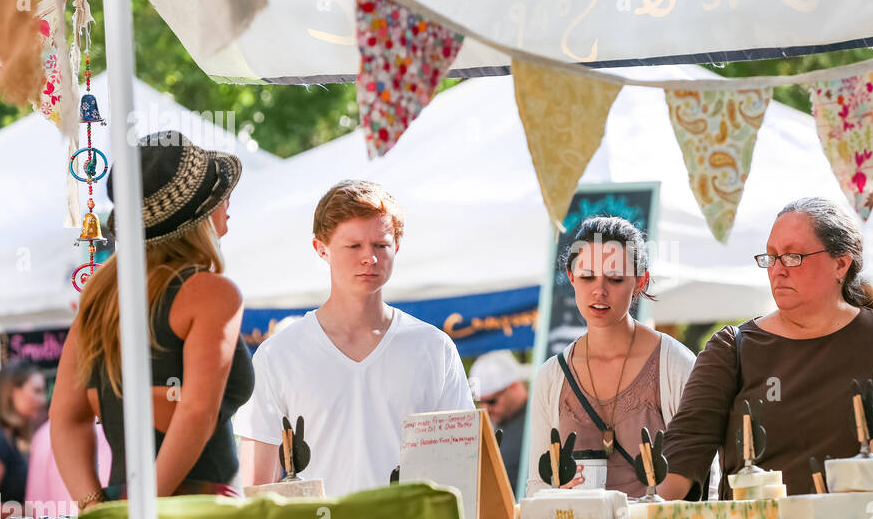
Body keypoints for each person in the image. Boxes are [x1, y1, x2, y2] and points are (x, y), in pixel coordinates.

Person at [663, 197, 873, 499]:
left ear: (840, 264)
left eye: (793, 256)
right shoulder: (732, 347)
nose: (778, 269)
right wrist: (650, 512)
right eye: (771, 257)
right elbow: (685, 449)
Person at [51, 131, 254, 509]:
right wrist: (145, 513)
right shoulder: (211, 292)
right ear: (202, 213)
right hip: (198, 514)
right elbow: (197, 412)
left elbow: (65, 418)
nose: (228, 204)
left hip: (120, 505)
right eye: (220, 194)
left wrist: (97, 508)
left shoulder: (100, 298)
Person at [237, 180, 473, 497]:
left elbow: (462, 468)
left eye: (380, 245)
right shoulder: (279, 354)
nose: (369, 258)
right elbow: (256, 484)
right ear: (321, 249)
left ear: (397, 248)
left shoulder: (434, 348)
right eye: (354, 246)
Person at [527, 216, 698, 499]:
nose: (599, 290)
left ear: (640, 281)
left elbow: (707, 477)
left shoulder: (676, 364)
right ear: (571, 277)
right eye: (587, 277)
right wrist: (555, 494)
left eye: (615, 278)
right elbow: (537, 485)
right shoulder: (552, 376)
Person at [0, 361, 47, 518]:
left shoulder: (6, 436)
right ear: (12, 392)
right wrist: (33, 512)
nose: (42, 400)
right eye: (37, 391)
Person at [469, 350, 531, 494]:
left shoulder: (539, 417)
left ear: (514, 386)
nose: (484, 409)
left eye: (491, 401)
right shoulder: (491, 425)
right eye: (480, 401)